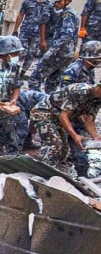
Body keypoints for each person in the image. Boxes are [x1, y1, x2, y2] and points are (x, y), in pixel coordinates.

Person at [29, 43, 101, 174]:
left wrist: (96, 137)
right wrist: (74, 135)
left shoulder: (97, 99)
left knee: (64, 151)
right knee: (55, 145)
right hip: (45, 113)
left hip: (63, 115)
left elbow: (89, 120)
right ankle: (41, 175)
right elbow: (64, 115)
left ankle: (58, 174)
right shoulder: (81, 90)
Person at [34, 0, 79, 92]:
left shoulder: (68, 15)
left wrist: (51, 50)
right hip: (66, 54)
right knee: (52, 82)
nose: (56, 4)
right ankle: (49, 103)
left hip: (59, 53)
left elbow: (66, 35)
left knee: (35, 78)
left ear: (67, 1)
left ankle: (34, 100)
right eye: (55, 1)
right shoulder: (66, 13)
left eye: (59, 1)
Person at [14, 0, 51, 76]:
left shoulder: (48, 5)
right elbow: (21, 15)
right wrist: (15, 30)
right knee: (20, 52)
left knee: (31, 54)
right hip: (25, 32)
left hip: (38, 35)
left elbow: (48, 22)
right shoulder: (28, 2)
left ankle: (23, 72)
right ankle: (14, 70)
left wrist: (44, 39)